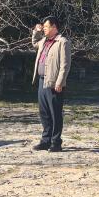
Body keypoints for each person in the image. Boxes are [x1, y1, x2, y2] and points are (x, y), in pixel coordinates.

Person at [31, 17, 72, 152]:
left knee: (55, 113)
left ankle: (56, 142)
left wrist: (60, 82)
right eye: (43, 27)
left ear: (54, 27)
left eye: (46, 27)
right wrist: (36, 32)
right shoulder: (44, 40)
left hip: (54, 83)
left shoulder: (62, 42)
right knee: (44, 112)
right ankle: (45, 140)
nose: (44, 29)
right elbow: (34, 43)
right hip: (42, 80)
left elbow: (65, 65)